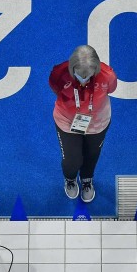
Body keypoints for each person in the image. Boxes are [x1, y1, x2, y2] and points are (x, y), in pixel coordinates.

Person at [49, 45, 118, 203]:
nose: (84, 80)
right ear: (72, 67)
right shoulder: (59, 73)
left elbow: (111, 90)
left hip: (98, 122)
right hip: (67, 122)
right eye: (80, 76)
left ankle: (87, 179)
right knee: (72, 159)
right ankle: (70, 179)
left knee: (92, 155)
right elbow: (55, 89)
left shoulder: (108, 75)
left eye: (89, 76)